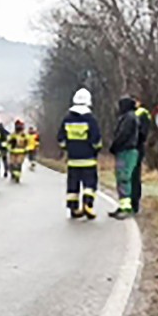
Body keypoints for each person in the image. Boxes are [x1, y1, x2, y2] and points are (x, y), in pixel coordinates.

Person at [57, 88, 102, 219]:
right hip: (88, 159)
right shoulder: (90, 119)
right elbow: (96, 140)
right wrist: (96, 150)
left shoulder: (67, 119)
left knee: (73, 184)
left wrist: (68, 149)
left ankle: (73, 208)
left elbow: (61, 138)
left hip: (72, 160)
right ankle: (88, 204)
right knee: (89, 183)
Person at [109, 96, 140, 220]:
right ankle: (123, 206)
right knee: (123, 178)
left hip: (125, 151)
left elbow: (123, 134)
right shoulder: (131, 117)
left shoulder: (128, 118)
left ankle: (126, 208)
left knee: (124, 178)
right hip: (128, 150)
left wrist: (114, 146)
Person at [133, 99, 152, 214]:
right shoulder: (134, 113)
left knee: (134, 176)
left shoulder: (142, 113)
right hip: (134, 148)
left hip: (136, 148)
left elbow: (142, 133)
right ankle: (131, 201)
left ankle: (134, 202)